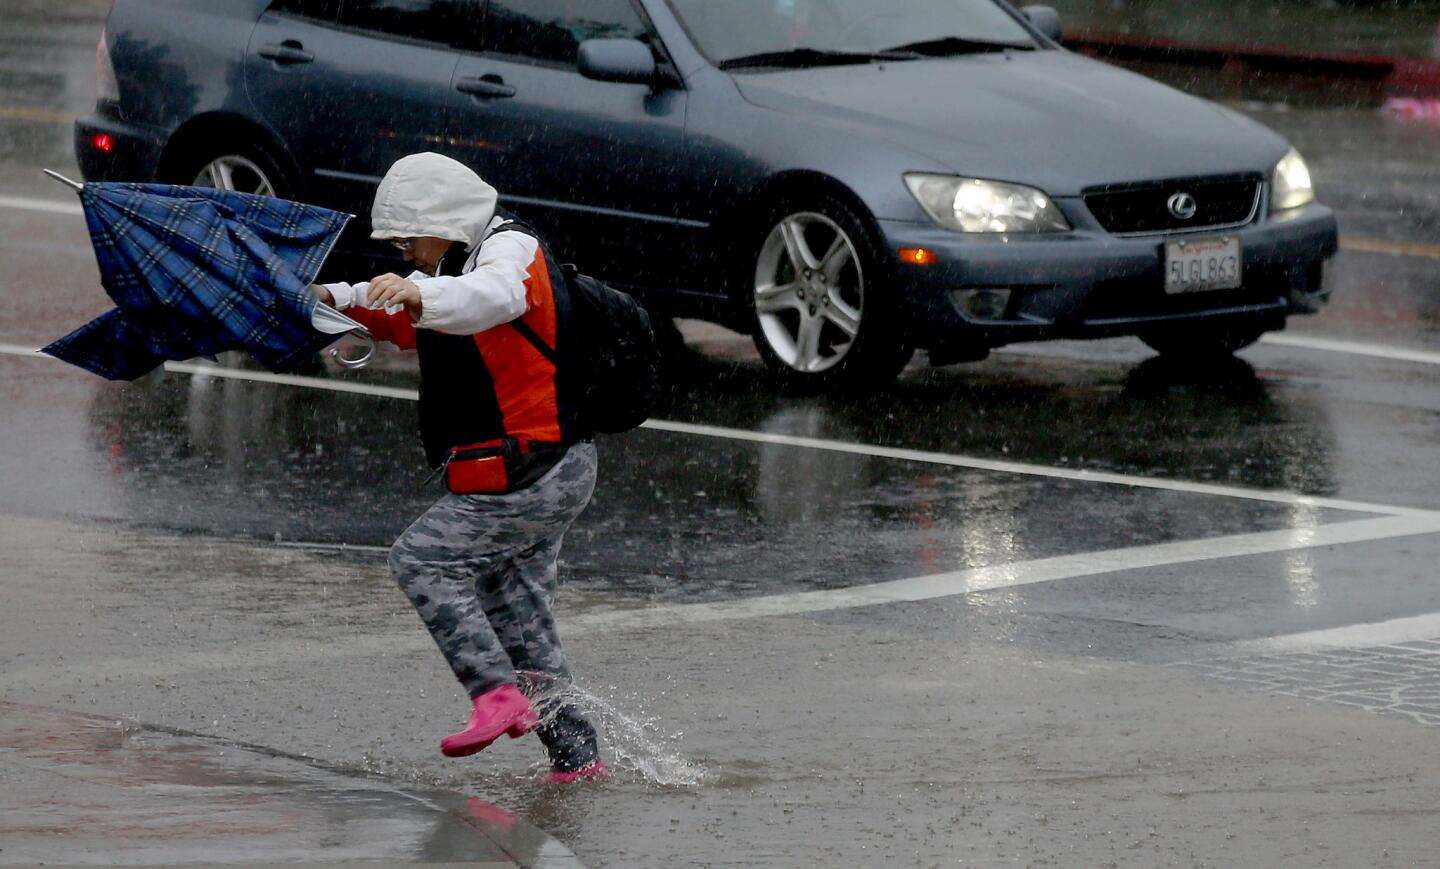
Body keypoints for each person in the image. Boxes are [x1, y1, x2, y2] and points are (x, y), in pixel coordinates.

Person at [310, 152, 606, 783]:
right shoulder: (452, 268)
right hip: (548, 469)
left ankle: (495, 697)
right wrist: (326, 296)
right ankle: (578, 761)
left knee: (419, 559)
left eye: (407, 237)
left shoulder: (509, 253)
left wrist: (420, 290)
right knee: (519, 614)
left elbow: (487, 298)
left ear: (441, 218)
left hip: (536, 473)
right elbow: (391, 308)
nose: (405, 251)